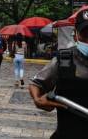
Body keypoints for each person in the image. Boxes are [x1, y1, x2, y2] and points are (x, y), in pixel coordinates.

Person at [29, 9, 88, 138]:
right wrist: (37, 99)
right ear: (75, 35)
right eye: (85, 34)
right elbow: (36, 83)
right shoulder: (63, 60)